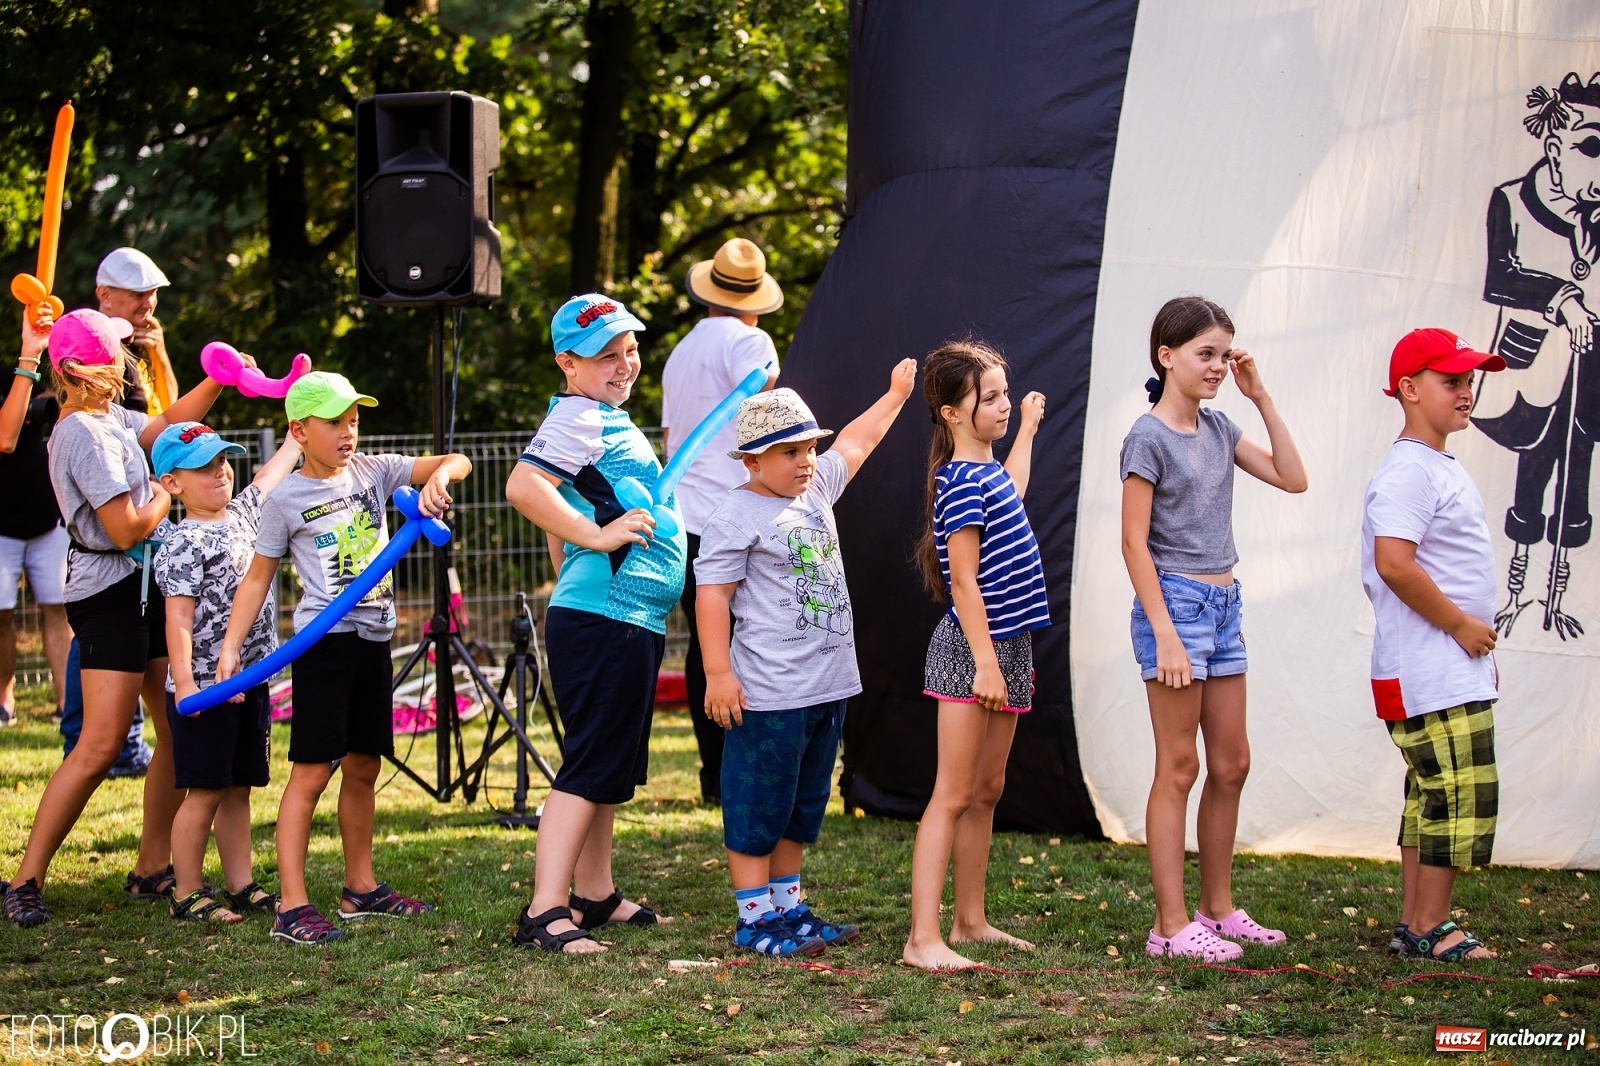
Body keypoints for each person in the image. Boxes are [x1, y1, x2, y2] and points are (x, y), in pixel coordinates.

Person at [219, 371, 470, 945]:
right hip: (324, 644)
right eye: (334, 422)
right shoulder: (284, 500)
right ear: (299, 431)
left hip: (373, 638)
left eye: (353, 420)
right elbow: (257, 579)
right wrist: (231, 648)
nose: (348, 432)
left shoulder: (372, 471)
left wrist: (438, 480)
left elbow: (458, 461)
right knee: (313, 771)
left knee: (364, 766)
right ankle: (291, 905)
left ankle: (361, 888)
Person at [2, 309, 234, 928]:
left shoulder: (108, 417)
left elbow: (165, 425)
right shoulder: (80, 432)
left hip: (147, 585)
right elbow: (126, 528)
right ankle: (25, 880)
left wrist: (220, 378)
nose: (125, 362)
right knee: (101, 744)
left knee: (175, 729)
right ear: (84, 369)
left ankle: (153, 867)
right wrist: (164, 489)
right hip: (107, 595)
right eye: (117, 354)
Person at [697, 369, 916, 957]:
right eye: (789, 452)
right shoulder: (734, 516)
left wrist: (894, 395)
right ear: (752, 461)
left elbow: (858, 442)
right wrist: (718, 673)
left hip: (826, 689)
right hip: (769, 694)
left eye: (810, 448)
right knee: (757, 803)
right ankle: (754, 921)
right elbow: (712, 595)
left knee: (799, 803)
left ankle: (788, 908)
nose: (806, 461)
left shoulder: (814, 490)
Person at [1119, 296, 1307, 962]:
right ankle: (1170, 928)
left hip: (1225, 607)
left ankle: (1217, 910)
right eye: (1207, 354)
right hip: (1175, 608)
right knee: (1179, 767)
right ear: (1166, 356)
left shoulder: (1222, 428)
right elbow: (1133, 543)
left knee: (1232, 763)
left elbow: (1293, 478)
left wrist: (1261, 397)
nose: (1219, 366)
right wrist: (1165, 633)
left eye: (1225, 355)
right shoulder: (1147, 438)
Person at [505, 295, 685, 954]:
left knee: (607, 762)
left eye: (629, 350)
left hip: (623, 615)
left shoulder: (602, 417)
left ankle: (594, 894)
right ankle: (545, 912)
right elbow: (524, 488)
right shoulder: (579, 416)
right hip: (605, 616)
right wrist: (598, 538)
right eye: (606, 355)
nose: (624, 364)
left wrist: (575, 550)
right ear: (568, 363)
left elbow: (560, 503)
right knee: (587, 763)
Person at [901, 340, 1050, 971]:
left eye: (1005, 394)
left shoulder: (986, 473)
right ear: (951, 413)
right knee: (954, 793)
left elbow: (1012, 489)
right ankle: (922, 939)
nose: (1004, 406)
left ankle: (970, 922)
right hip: (974, 652)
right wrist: (985, 664)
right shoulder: (959, 481)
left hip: (1008, 646)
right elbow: (963, 582)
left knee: (988, 789)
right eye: (989, 398)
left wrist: (1030, 429)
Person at [1363, 328, 1506, 962]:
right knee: (1453, 793)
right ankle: (1430, 926)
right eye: (1451, 381)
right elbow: (1394, 562)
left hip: (1445, 668)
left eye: (1469, 381)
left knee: (1430, 794)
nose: (1466, 391)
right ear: (1409, 389)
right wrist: (1461, 626)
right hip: (1430, 668)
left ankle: (1414, 923)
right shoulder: (1409, 470)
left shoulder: (1434, 464)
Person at [153, 422, 302, 923]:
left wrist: (297, 436)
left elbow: (269, 475)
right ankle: (186, 891)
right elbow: (177, 619)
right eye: (204, 467)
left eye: (222, 461)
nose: (220, 471)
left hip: (250, 679)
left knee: (239, 787)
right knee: (206, 790)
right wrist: (187, 686)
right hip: (205, 691)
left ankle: (241, 884)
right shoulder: (182, 542)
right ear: (173, 483)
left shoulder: (242, 514)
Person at [661, 237, 782, 804]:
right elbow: (768, 407)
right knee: (746, 641)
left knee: (702, 644)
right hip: (731, 516)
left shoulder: (682, 351)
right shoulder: (750, 340)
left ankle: (714, 776)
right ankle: (742, 771)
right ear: (754, 300)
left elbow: (670, 436)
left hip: (682, 515)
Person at [0, 312, 70, 727]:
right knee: (1, 615)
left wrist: (30, 404)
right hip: (1, 527)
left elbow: (50, 405)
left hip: (47, 517)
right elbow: (6, 436)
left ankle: (67, 701)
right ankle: (4, 701)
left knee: (58, 608)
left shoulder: (9, 373)